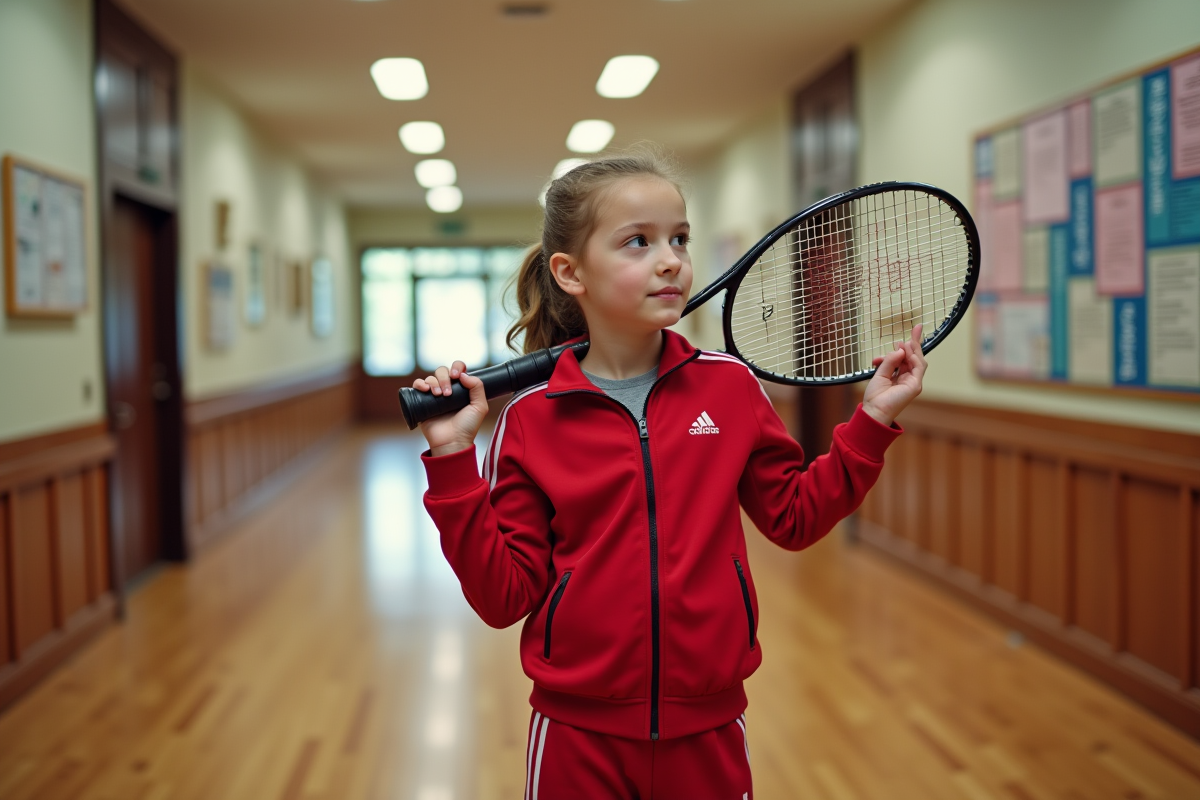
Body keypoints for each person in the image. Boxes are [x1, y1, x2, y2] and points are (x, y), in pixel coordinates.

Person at [412, 152, 925, 799]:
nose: (671, 260)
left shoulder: (730, 388)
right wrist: (454, 459)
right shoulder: (531, 421)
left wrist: (872, 419)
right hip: (577, 736)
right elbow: (502, 599)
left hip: (707, 729)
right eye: (638, 242)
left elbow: (794, 517)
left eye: (679, 238)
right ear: (570, 272)